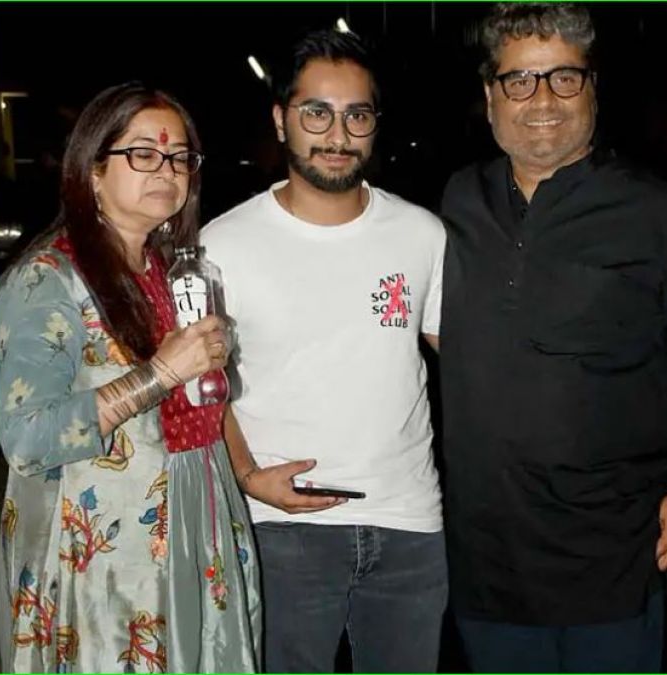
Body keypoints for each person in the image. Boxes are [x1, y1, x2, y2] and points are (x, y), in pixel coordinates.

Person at [439, 4, 667, 672]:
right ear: (491, 96)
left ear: (593, 87)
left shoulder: (663, 213)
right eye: (519, 81)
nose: (543, 100)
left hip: (617, 551)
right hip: (486, 557)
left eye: (564, 78)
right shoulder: (455, 203)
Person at [0, 82, 260, 674]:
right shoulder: (46, 281)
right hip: (105, 555)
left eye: (179, 156)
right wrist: (160, 373)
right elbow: (29, 440)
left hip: (198, 515)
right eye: (142, 153)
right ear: (91, 170)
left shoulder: (176, 271)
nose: (166, 169)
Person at [201, 29, 448, 674]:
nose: (337, 135)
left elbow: (471, 361)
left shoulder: (422, 234)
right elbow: (203, 382)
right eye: (317, 112)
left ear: (374, 126)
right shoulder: (223, 246)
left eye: (356, 115)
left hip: (410, 527)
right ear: (281, 119)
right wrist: (249, 477)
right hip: (281, 529)